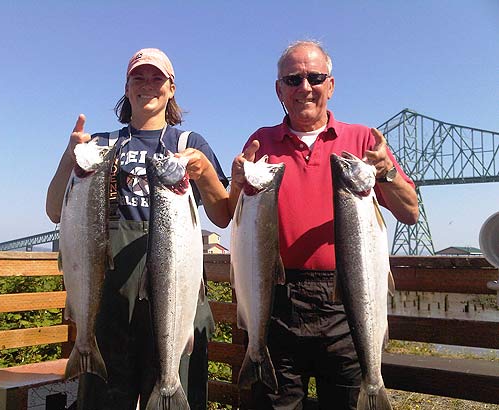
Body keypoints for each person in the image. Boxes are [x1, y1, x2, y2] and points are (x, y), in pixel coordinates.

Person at [229, 40, 419, 410]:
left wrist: (387, 173)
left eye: (314, 78)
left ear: (330, 85)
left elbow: (409, 212)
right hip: (275, 300)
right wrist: (237, 183)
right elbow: (232, 216)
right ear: (279, 90)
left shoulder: (363, 140)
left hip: (350, 298)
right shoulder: (260, 142)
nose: (305, 87)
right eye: (293, 79)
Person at [46, 48, 231, 410]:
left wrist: (206, 172)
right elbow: (55, 211)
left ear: (171, 88)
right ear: (127, 87)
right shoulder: (99, 146)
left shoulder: (190, 145)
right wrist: (69, 157)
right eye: (139, 77)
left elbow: (222, 216)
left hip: (177, 289)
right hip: (110, 298)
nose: (148, 84)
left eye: (157, 78)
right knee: (105, 401)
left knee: (174, 387)